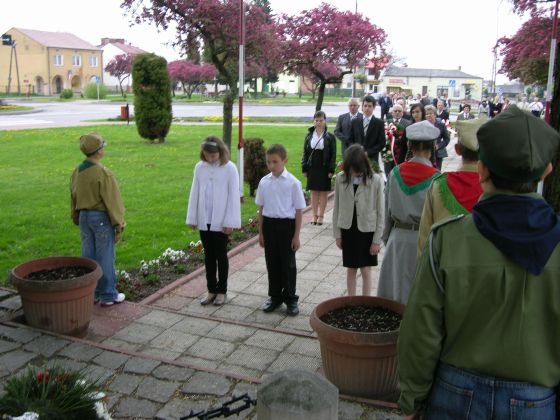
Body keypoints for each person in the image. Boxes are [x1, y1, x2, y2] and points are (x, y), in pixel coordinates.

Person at [398, 105, 560, 419]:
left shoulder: (445, 239)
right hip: (536, 400)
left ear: (482, 170)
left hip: (455, 394)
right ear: (546, 171)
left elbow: (421, 331)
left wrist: (412, 400)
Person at [377, 121, 440, 304]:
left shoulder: (395, 173)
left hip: (397, 239)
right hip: (424, 241)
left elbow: (386, 211)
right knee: (418, 298)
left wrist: (387, 239)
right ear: (432, 147)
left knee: (393, 296)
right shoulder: (437, 179)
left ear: (410, 146)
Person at [70, 132, 126, 307]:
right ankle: (108, 295)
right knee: (105, 256)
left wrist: (75, 215)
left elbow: (73, 196)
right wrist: (118, 223)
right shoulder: (103, 173)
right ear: (99, 151)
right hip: (100, 218)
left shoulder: (77, 172)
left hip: (84, 217)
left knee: (88, 255)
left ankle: (91, 292)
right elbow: (112, 201)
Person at [186, 136, 241, 306]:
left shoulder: (229, 168)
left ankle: (222, 291)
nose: (210, 158)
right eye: (207, 155)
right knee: (209, 256)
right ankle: (211, 290)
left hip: (221, 220)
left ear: (221, 152)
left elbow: (233, 196)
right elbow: (195, 192)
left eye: (213, 155)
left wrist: (230, 221)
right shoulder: (199, 167)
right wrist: (192, 217)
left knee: (220, 255)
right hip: (205, 219)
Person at [417, 118, 485, 255]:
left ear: (457, 149)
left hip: (445, 263)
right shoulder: (497, 187)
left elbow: (424, 239)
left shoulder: (438, 184)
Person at [256, 144, 307, 316]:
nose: (271, 165)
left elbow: (299, 211)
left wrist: (296, 236)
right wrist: (261, 233)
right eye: (268, 162)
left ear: (284, 161)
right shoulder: (264, 182)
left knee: (288, 265)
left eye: (275, 162)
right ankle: (275, 296)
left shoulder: (293, 183)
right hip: (269, 226)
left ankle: (290, 298)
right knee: (272, 263)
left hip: (287, 226)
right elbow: (261, 209)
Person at [332, 144, 384, 296]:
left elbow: (381, 212)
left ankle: (366, 301)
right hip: (349, 230)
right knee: (351, 268)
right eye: (352, 170)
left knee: (366, 269)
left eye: (358, 170)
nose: (355, 173)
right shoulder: (341, 179)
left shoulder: (376, 180)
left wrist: (376, 241)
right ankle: (351, 300)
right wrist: (338, 235)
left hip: (367, 231)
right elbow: (336, 208)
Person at [302, 110, 337, 226]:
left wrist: (331, 169)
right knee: (314, 191)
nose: (318, 123)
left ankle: (321, 215)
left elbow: (333, 154)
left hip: (324, 167)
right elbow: (305, 153)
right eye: (316, 120)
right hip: (313, 167)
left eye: (321, 120)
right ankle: (314, 215)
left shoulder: (330, 136)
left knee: (323, 192)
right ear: (314, 121)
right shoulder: (309, 136)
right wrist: (304, 168)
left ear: (325, 121)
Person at [348, 95, 386, 171]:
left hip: (372, 159)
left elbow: (381, 143)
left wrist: (368, 152)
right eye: (365, 106)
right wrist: (356, 150)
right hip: (356, 157)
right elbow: (350, 140)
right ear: (362, 107)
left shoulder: (379, 123)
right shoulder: (355, 122)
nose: (367, 108)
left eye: (369, 106)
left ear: (374, 107)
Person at [383, 104, 411, 177]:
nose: (397, 112)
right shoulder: (386, 123)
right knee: (388, 173)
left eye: (399, 111)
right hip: (389, 153)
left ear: (402, 113)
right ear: (392, 113)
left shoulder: (408, 123)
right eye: (395, 111)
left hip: (402, 153)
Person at [425, 104, 450, 170]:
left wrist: (438, 146)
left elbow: (446, 139)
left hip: (437, 154)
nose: (429, 115)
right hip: (425, 153)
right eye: (427, 114)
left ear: (435, 114)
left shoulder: (441, 125)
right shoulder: (422, 125)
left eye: (431, 113)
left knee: (437, 171)